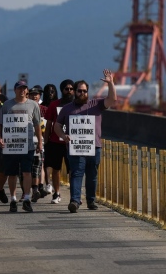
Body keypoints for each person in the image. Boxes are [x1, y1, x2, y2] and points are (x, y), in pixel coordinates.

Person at [55, 69, 116, 213]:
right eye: (79, 91)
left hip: (94, 147)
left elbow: (112, 100)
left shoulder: (96, 105)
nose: (82, 94)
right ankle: (75, 201)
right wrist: (63, 136)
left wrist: (111, 84)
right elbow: (57, 126)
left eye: (84, 91)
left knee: (92, 175)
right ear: (75, 92)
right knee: (76, 173)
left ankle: (91, 200)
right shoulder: (66, 109)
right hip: (75, 147)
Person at [0, 80, 43, 213]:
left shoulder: (33, 105)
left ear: (27, 90)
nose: (22, 90)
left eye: (24, 88)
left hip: (27, 145)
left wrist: (39, 142)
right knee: (12, 173)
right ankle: (13, 199)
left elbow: (37, 125)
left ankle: (27, 198)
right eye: (19, 88)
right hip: (11, 145)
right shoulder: (7, 105)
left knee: (27, 172)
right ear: (15, 90)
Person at [43, 79, 75, 204]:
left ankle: (74, 195)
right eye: (66, 89)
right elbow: (49, 124)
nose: (69, 91)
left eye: (71, 89)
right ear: (62, 90)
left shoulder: (77, 105)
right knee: (55, 170)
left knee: (73, 170)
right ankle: (57, 193)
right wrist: (45, 141)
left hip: (72, 143)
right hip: (55, 142)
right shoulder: (54, 105)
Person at [27, 86, 48, 201]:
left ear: (40, 95)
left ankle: (36, 189)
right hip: (26, 142)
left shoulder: (44, 109)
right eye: (32, 94)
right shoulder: (25, 108)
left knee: (38, 166)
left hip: (39, 142)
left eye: (37, 94)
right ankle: (27, 192)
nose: (34, 96)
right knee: (25, 169)